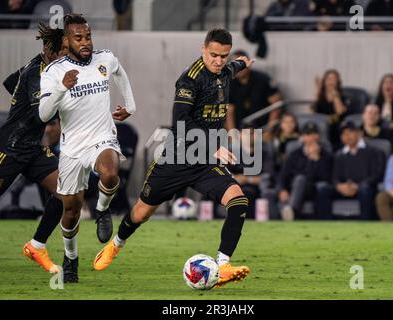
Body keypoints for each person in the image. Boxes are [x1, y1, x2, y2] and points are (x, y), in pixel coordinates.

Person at [93, 28, 255, 288]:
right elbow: (180, 123)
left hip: (205, 163)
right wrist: (210, 146)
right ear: (203, 49)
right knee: (141, 214)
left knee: (238, 201)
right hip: (177, 157)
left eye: (223, 56)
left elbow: (236, 66)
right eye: (213, 55)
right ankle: (115, 245)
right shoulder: (189, 81)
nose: (218, 61)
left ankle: (223, 265)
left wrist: (242, 63)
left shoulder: (226, 70)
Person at [38, 14, 137, 283]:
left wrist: (130, 105)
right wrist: (61, 88)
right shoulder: (54, 72)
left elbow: (120, 73)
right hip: (71, 149)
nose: (85, 43)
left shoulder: (104, 58)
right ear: (67, 41)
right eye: (78, 38)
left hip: (102, 137)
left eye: (88, 37)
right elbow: (44, 114)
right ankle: (70, 258)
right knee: (70, 211)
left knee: (110, 173)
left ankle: (102, 209)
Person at [0, 23, 65, 274]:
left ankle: (36, 246)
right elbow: (45, 111)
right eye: (59, 50)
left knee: (66, 192)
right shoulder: (36, 72)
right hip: (11, 146)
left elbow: (10, 82)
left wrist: (18, 97)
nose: (63, 55)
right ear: (46, 48)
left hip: (34, 148)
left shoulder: (52, 69)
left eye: (65, 50)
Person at [316, 121, 384, 220]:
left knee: (365, 191)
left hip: (362, 187)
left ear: (359, 133)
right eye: (344, 134)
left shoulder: (372, 152)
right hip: (344, 188)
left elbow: (376, 175)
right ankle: (326, 223)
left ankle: (366, 224)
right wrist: (339, 186)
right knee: (323, 191)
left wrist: (357, 186)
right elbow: (335, 177)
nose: (347, 136)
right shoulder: (340, 154)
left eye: (350, 133)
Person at [278, 122, 333, 220]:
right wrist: (283, 189)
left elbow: (327, 177)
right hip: (295, 188)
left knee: (301, 178)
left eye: (314, 134)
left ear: (318, 136)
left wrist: (316, 160)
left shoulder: (325, 155)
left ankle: (291, 210)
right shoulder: (294, 154)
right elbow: (284, 175)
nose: (311, 137)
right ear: (302, 137)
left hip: (314, 188)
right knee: (299, 180)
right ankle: (289, 212)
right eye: (308, 134)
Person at [225, 50, 283, 141]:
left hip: (262, 129)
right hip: (240, 132)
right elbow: (229, 111)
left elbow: (276, 105)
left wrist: (269, 131)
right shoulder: (229, 83)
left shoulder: (263, 79)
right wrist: (233, 134)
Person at [312, 69, 348, 149]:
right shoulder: (320, 95)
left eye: (334, 79)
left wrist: (335, 95)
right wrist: (317, 92)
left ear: (338, 82)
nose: (331, 82)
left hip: (336, 125)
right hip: (321, 125)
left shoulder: (342, 95)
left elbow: (340, 112)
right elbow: (312, 112)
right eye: (329, 79)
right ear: (324, 81)